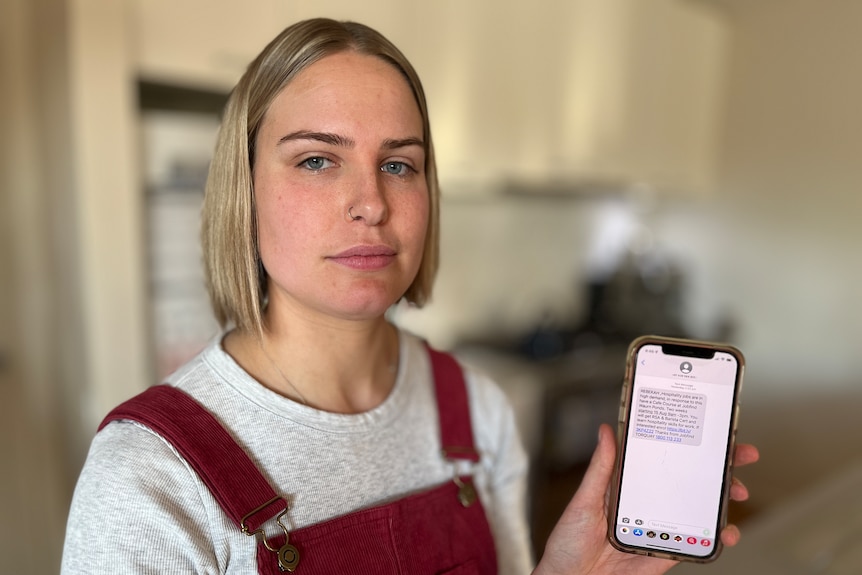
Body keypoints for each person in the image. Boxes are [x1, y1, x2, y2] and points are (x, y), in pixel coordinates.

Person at [61, 17, 758, 575]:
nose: (371, 202)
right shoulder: (149, 478)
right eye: (316, 159)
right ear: (244, 191)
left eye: (399, 164)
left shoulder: (477, 410)